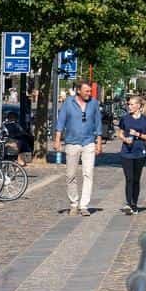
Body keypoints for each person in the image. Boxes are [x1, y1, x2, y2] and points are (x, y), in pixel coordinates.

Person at [53, 81, 103, 216]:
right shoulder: (68, 103)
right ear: (78, 91)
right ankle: (74, 203)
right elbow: (60, 122)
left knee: (88, 173)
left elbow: (98, 123)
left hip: (88, 142)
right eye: (86, 91)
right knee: (70, 175)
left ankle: (84, 205)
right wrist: (57, 140)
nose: (89, 93)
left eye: (89, 91)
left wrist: (99, 143)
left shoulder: (94, 103)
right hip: (72, 142)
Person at [118, 95, 146, 214]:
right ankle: (129, 204)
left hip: (140, 152)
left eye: (132, 104)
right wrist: (124, 139)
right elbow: (120, 133)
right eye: (129, 104)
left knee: (136, 179)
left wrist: (138, 134)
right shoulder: (125, 119)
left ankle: (134, 203)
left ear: (139, 106)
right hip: (126, 152)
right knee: (129, 178)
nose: (130, 106)